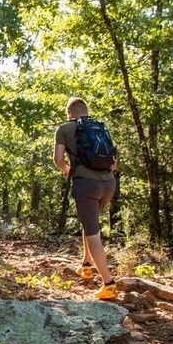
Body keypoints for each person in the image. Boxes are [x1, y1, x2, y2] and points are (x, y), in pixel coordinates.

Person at [53, 96, 118, 300]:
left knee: (92, 232)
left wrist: (66, 169)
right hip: (109, 184)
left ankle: (108, 284)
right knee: (89, 222)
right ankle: (86, 264)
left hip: (86, 185)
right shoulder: (100, 128)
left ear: (69, 113)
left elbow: (58, 159)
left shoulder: (64, 128)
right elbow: (114, 163)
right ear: (86, 111)